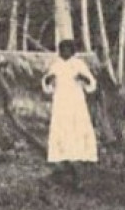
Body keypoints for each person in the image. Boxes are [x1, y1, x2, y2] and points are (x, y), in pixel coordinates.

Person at [42, 39, 98, 186]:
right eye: (62, 49)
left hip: (75, 104)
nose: (65, 52)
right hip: (61, 104)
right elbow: (47, 85)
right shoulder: (56, 65)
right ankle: (62, 169)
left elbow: (91, 84)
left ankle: (78, 170)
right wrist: (48, 81)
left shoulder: (79, 64)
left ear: (72, 51)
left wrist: (84, 78)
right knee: (61, 133)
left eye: (68, 49)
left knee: (76, 133)